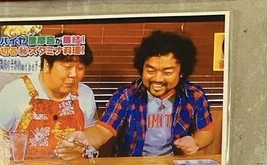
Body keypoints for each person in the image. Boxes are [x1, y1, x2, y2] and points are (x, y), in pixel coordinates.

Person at [56, 30, 214, 158]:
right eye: (150, 70)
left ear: (181, 72)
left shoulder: (194, 96)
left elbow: (206, 132)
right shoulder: (126, 96)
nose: (157, 79)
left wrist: (195, 142)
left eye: (167, 72)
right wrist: (85, 138)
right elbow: (103, 130)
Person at [0, 34, 97, 165]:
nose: (74, 75)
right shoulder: (17, 90)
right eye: (67, 67)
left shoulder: (85, 93)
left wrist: (81, 148)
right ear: (46, 65)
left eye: (80, 68)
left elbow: (92, 135)